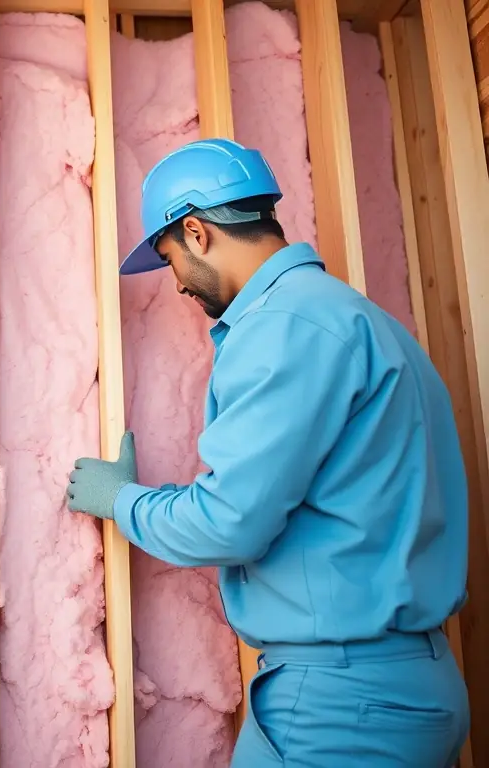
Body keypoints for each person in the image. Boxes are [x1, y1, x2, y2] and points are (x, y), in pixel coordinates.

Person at [66, 138, 470, 767]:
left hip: (344, 701)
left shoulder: (284, 328)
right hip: (392, 683)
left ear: (197, 232)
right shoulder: (363, 321)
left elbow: (229, 522)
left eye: (169, 257)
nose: (176, 284)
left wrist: (122, 502)